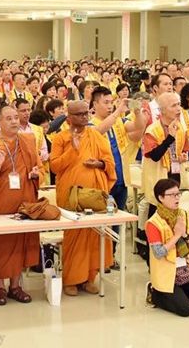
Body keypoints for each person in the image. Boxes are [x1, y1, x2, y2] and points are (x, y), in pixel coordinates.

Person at [50, 100, 116, 296]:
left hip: (94, 195)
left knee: (94, 234)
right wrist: (73, 149)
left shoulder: (95, 135)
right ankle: (71, 280)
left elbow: (109, 161)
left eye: (86, 113)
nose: (84, 117)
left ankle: (89, 278)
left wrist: (99, 164)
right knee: (74, 235)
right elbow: (55, 166)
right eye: (79, 114)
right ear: (69, 118)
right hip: (70, 195)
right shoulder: (60, 138)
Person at [0, 105, 43, 305]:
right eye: (9, 118)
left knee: (21, 245)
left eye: (16, 117)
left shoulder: (28, 141)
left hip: (25, 204)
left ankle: (15, 286)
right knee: (0, 246)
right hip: (0, 205)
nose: (15, 121)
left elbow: (40, 168)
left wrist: (36, 174)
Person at [146, 178, 189, 317]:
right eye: (172, 195)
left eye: (178, 194)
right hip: (166, 271)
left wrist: (185, 235)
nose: (177, 198)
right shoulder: (153, 223)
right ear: (160, 198)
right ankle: (155, 293)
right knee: (185, 310)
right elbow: (158, 253)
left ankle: (178, 295)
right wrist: (177, 235)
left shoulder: (184, 215)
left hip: (185, 267)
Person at [90, 86, 145, 211]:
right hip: (103, 180)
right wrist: (119, 110)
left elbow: (138, 126)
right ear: (95, 104)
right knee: (105, 216)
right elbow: (99, 130)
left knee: (120, 215)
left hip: (122, 179)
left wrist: (137, 112)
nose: (110, 106)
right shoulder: (90, 124)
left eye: (111, 102)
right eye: (106, 103)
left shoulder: (118, 121)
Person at [141, 92, 189, 218]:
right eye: (173, 106)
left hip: (175, 174)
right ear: (162, 110)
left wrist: (183, 157)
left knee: (175, 214)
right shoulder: (152, 130)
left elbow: (184, 150)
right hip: (159, 178)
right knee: (157, 215)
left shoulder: (180, 128)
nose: (178, 109)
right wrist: (170, 138)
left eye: (179, 104)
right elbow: (155, 156)